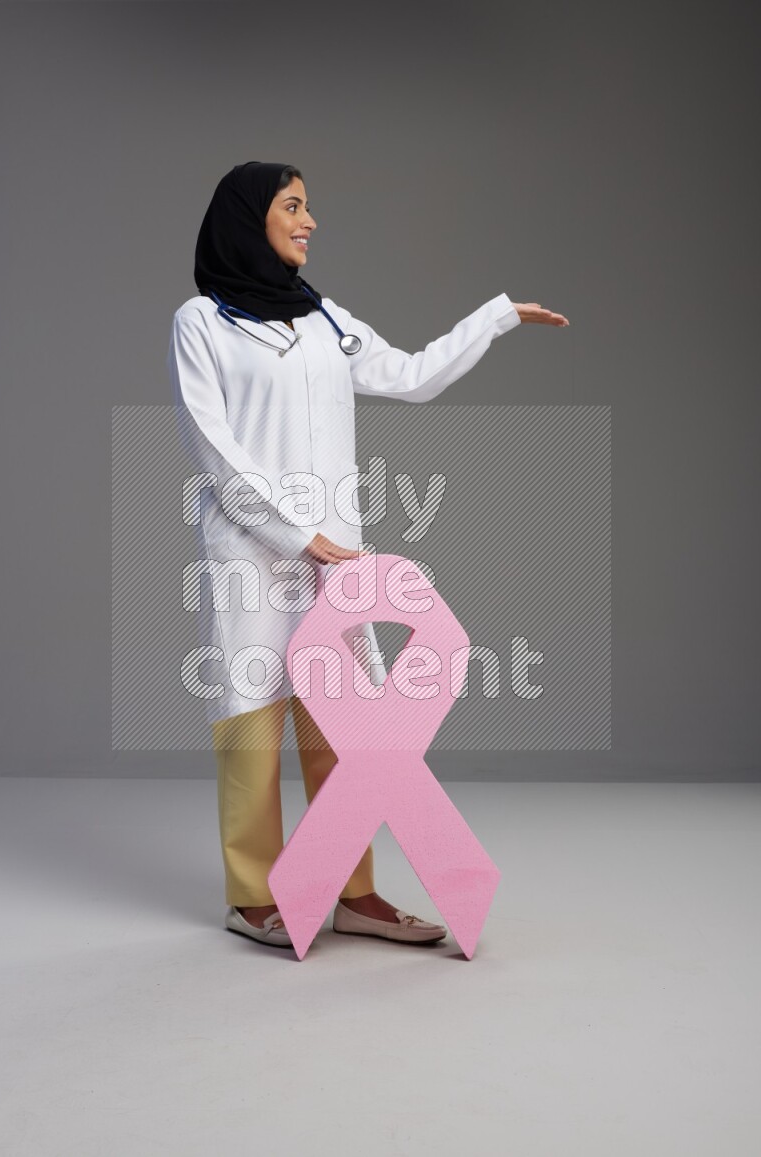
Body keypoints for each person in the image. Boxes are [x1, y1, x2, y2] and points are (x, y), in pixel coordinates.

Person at [167, 161, 569, 949]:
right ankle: (253, 896)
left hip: (337, 561)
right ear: (250, 219)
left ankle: (350, 890)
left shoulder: (323, 319)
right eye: (293, 206)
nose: (310, 220)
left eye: (309, 206)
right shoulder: (201, 322)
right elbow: (209, 443)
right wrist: (292, 531)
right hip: (253, 551)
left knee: (345, 724)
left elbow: (412, 375)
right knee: (250, 718)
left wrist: (495, 318)